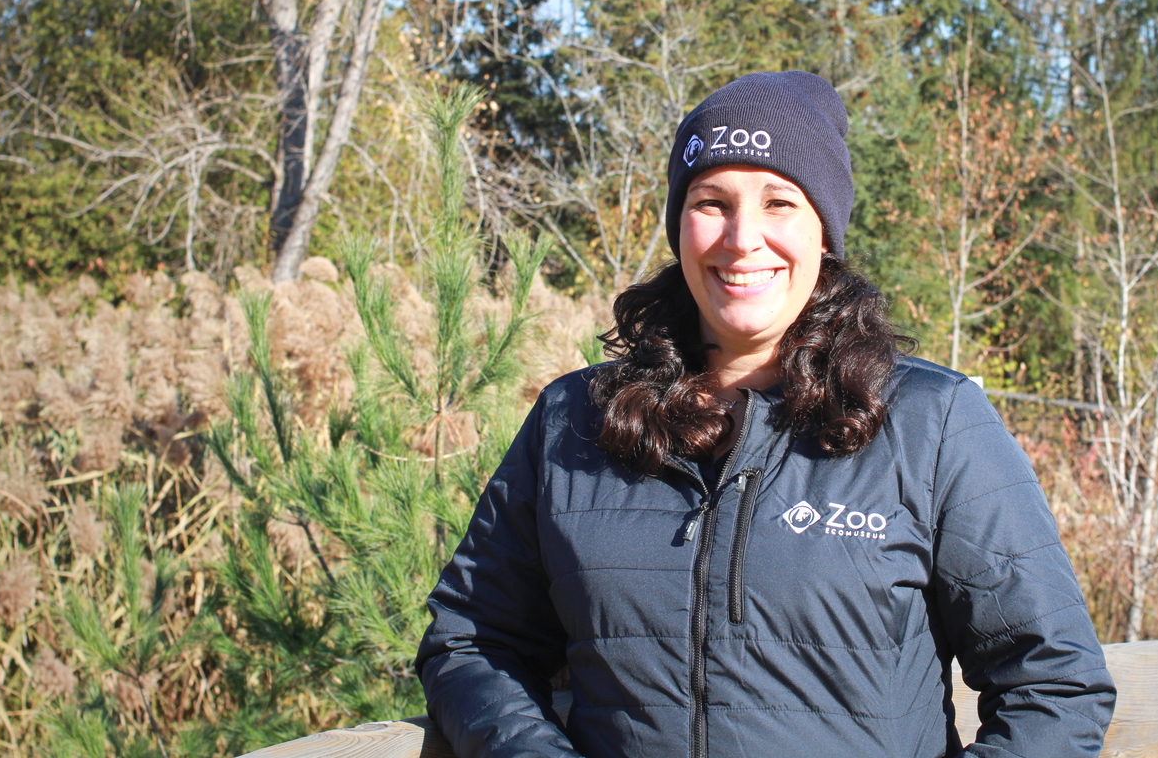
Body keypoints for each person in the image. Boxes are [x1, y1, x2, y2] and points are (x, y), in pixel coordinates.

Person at [415, 71, 1115, 758]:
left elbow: (1054, 685)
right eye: (711, 201)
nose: (741, 237)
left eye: (779, 202)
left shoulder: (932, 425)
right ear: (680, 223)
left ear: (824, 232)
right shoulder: (573, 422)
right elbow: (472, 639)